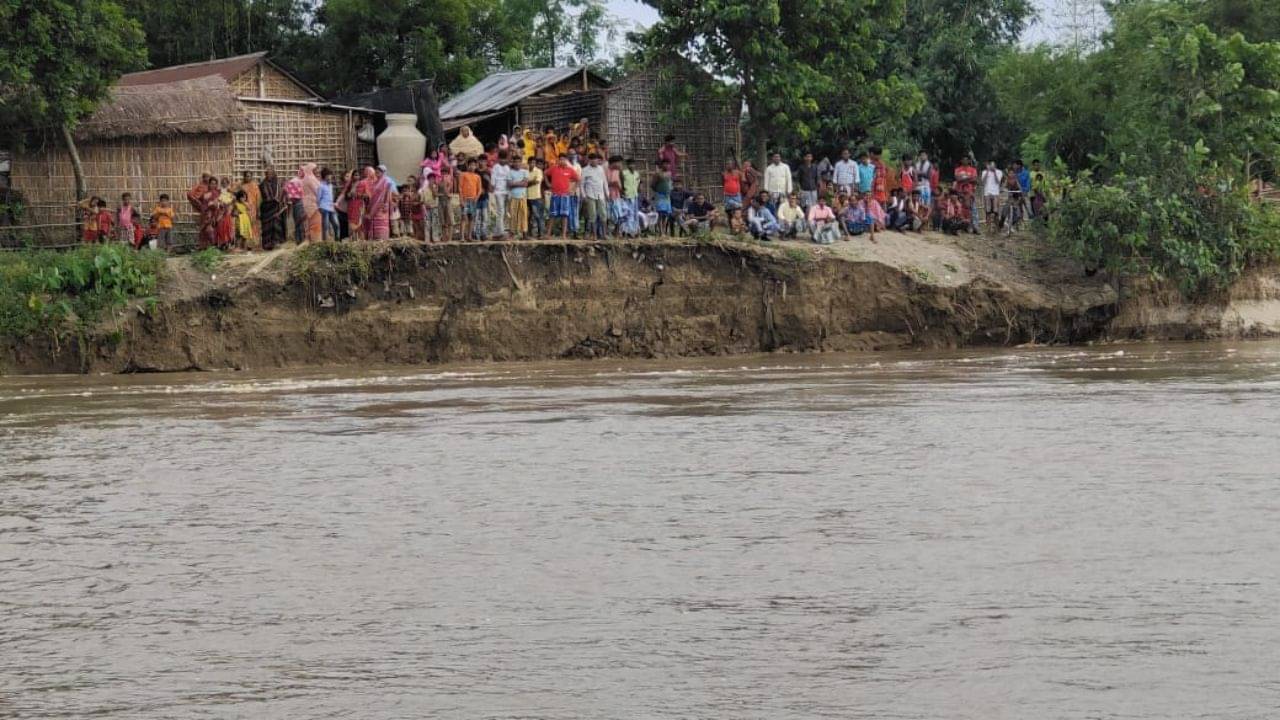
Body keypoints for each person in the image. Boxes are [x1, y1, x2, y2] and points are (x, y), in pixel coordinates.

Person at [546, 154, 578, 240]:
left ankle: (563, 235)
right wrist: (548, 184)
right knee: (552, 215)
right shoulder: (554, 168)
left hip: (565, 196)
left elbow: (577, 179)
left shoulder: (570, 170)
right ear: (558, 160)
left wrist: (573, 188)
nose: (562, 161)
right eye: (560, 159)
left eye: (564, 159)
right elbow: (545, 174)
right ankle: (548, 234)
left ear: (566, 160)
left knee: (564, 215)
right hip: (555, 194)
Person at [364, 165, 397, 241]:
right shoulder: (375, 182)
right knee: (374, 223)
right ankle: (374, 239)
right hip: (373, 205)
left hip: (381, 207)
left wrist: (385, 204)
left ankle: (382, 239)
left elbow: (387, 194)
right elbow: (372, 195)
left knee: (381, 224)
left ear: (384, 172)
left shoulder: (386, 181)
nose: (377, 171)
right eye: (377, 170)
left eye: (380, 170)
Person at [579, 153, 608, 239]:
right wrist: (584, 196)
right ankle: (594, 235)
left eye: (596, 159)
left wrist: (607, 193)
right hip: (590, 195)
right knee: (592, 216)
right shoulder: (585, 170)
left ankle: (604, 234)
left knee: (603, 214)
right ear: (589, 160)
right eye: (593, 159)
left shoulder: (601, 169)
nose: (595, 161)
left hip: (601, 195)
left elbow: (604, 182)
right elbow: (581, 184)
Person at [259, 168, 288, 249]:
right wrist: (272, 199)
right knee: (267, 227)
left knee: (276, 226)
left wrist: (280, 200)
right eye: (268, 174)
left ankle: (276, 242)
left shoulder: (277, 183)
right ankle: (267, 244)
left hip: (277, 209)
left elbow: (282, 193)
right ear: (265, 174)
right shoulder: (263, 184)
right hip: (267, 209)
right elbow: (265, 196)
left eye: (271, 174)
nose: (269, 175)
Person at [458, 159, 482, 241]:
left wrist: (477, 198)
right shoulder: (463, 174)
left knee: (472, 218)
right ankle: (462, 237)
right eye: (470, 165)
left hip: (473, 200)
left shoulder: (477, 177)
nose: (472, 167)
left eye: (474, 165)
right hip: (465, 199)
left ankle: (469, 236)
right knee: (464, 218)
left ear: (476, 166)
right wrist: (461, 200)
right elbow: (460, 188)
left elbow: (479, 189)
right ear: (467, 165)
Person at [954, 155, 980, 233]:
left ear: (969, 161)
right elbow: (957, 179)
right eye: (963, 159)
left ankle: (975, 227)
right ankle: (960, 226)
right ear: (961, 160)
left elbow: (975, 180)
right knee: (960, 209)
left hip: (970, 192)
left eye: (966, 160)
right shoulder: (957, 169)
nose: (965, 161)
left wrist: (963, 179)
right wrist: (969, 179)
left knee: (973, 210)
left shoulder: (973, 169)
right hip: (960, 192)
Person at [507, 155, 529, 240]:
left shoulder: (525, 171)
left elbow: (525, 184)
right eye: (515, 162)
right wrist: (520, 182)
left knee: (523, 215)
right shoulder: (510, 172)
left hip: (522, 196)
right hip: (513, 197)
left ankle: (524, 234)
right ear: (513, 163)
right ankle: (512, 233)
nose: (517, 163)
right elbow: (509, 185)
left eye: (518, 162)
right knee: (513, 215)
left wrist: (514, 183)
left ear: (521, 162)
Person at [651, 160, 674, 235]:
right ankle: (661, 232)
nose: (667, 166)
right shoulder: (657, 174)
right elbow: (652, 185)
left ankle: (664, 231)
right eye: (665, 164)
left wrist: (669, 191)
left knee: (666, 215)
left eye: (668, 164)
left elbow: (670, 184)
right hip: (660, 196)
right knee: (660, 214)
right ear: (662, 165)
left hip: (667, 197)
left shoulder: (669, 173)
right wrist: (659, 192)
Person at [240, 171, 262, 247]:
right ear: (244, 177)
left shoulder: (255, 186)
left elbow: (258, 199)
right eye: (246, 176)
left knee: (253, 225)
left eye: (249, 176)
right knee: (246, 225)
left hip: (253, 209)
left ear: (251, 177)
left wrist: (258, 209)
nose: (247, 177)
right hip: (244, 208)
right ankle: (246, 244)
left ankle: (254, 243)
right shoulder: (242, 186)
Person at [620, 158, 641, 237]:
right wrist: (622, 193)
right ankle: (627, 231)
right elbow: (621, 184)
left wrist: (638, 190)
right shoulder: (624, 173)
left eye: (633, 164)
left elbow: (638, 183)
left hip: (635, 196)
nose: (631, 166)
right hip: (627, 196)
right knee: (628, 214)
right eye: (630, 164)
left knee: (635, 214)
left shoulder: (637, 174)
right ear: (627, 165)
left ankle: (634, 231)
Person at [526, 157, 545, 239]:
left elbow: (537, 181)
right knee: (528, 216)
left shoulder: (538, 171)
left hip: (535, 196)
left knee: (537, 215)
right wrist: (530, 182)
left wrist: (527, 183)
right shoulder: (525, 171)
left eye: (533, 162)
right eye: (530, 162)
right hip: (526, 196)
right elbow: (524, 181)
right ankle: (529, 233)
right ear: (528, 163)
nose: (532, 164)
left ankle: (540, 234)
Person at [317, 168, 338, 242]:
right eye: (328, 176)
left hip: (331, 207)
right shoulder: (321, 186)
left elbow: (331, 197)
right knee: (325, 226)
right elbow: (318, 198)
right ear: (324, 176)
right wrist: (320, 207)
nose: (329, 177)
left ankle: (337, 241)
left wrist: (333, 204)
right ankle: (325, 243)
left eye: (330, 175)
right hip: (324, 208)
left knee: (336, 225)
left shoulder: (331, 185)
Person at [981, 160, 1003, 227]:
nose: (992, 166)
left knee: (996, 211)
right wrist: (987, 171)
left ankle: (997, 226)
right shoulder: (984, 172)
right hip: (987, 193)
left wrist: (994, 172)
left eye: (993, 165)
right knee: (988, 211)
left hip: (995, 193)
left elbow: (998, 182)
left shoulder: (999, 172)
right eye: (991, 165)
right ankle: (988, 227)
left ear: (995, 165)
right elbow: (983, 182)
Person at [284, 170, 304, 242]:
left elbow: (287, 189)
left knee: (298, 222)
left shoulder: (298, 180)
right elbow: (287, 189)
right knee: (299, 222)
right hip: (298, 203)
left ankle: (299, 240)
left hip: (297, 203)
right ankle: (300, 240)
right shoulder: (296, 180)